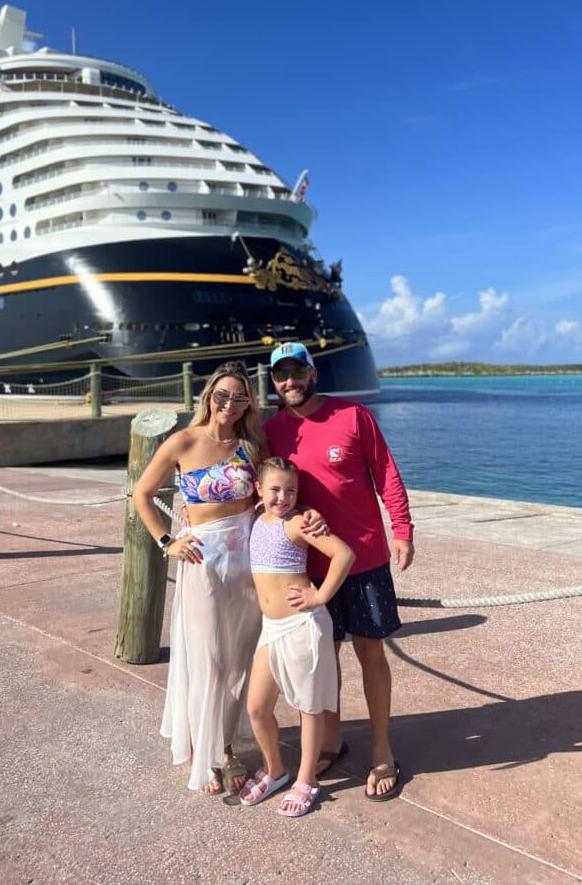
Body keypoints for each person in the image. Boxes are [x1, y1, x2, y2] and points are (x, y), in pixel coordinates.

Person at [264, 342, 414, 801]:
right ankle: (332, 740)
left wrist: (402, 527)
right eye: (280, 375)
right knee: (323, 660)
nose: (290, 381)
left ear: (313, 373)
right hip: (308, 571)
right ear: (274, 383)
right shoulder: (271, 432)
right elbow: (258, 487)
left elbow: (385, 471)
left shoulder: (352, 416)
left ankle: (383, 750)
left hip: (365, 558)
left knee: (371, 652)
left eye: (297, 372)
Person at [132, 360, 266, 795]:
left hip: (246, 559)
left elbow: (264, 497)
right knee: (208, 657)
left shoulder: (251, 444)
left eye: (239, 397)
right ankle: (203, 753)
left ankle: (224, 745)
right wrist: (166, 540)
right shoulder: (183, 441)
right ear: (208, 396)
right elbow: (143, 494)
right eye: (222, 395)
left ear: (249, 404)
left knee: (239, 658)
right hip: (202, 559)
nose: (229, 404)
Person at [239, 458, 354, 817]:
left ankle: (307, 779)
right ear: (259, 489)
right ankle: (275, 769)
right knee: (257, 707)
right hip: (271, 629)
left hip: (302, 625)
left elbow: (343, 554)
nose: (283, 497)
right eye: (275, 489)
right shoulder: (256, 517)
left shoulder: (298, 523)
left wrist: (319, 597)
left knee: (308, 707)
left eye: (291, 490)